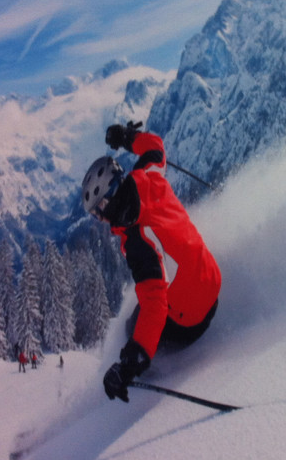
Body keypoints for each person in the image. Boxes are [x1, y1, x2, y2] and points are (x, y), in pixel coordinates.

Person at [82, 121, 221, 402]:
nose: (100, 219)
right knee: (145, 310)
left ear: (109, 201)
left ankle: (153, 374)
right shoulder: (147, 176)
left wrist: (130, 364)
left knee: (133, 327)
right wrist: (128, 137)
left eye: (98, 211)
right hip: (212, 280)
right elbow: (156, 148)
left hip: (191, 321)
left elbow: (156, 304)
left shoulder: (138, 239)